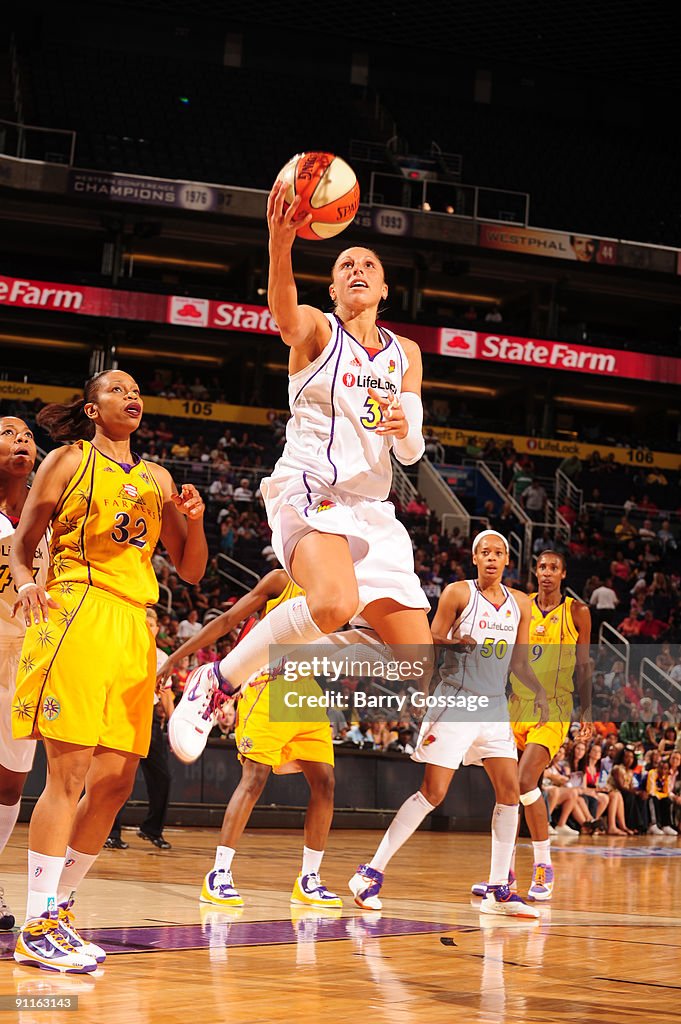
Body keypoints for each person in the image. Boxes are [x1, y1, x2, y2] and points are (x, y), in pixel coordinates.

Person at [170, 190, 433, 898]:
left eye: (366, 264)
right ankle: (217, 681)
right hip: (309, 491)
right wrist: (280, 241)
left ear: (382, 286)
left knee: (419, 667)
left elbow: (408, 452)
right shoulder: (317, 330)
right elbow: (283, 314)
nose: (354, 269)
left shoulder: (405, 351)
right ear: (333, 283)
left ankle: (271, 657)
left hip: (372, 512)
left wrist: (396, 418)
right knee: (330, 599)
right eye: (344, 261)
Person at [9, 369, 207, 973]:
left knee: (117, 781)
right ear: (93, 410)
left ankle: (61, 909)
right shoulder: (69, 461)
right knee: (67, 773)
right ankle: (36, 919)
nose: (131, 395)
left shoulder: (158, 478)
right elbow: (25, 539)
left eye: (135, 389)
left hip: (134, 624)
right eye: (117, 389)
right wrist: (23, 583)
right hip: (77, 609)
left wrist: (194, 521)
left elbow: (193, 570)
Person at [349, 531, 550, 920]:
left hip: (494, 707)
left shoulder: (520, 604)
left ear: (508, 560)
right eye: (485, 553)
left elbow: (520, 662)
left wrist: (539, 693)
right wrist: (453, 641)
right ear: (474, 558)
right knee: (433, 793)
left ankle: (498, 890)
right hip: (456, 700)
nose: (492, 558)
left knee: (510, 793)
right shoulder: (459, 593)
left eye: (499, 553)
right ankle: (369, 874)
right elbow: (429, 638)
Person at [484, 550, 592, 902]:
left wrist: (587, 712)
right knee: (507, 791)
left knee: (524, 780)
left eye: (553, 568)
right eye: (542, 566)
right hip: (516, 705)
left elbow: (585, 665)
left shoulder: (577, 612)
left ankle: (544, 865)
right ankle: (504, 874)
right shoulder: (521, 605)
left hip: (555, 707)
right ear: (535, 571)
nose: (546, 573)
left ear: (563, 573)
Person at [0, 418, 50, 931]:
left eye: (27, 435)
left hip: (27, 654)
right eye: (7, 432)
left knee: (11, 786)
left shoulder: (51, 516)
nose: (20, 439)